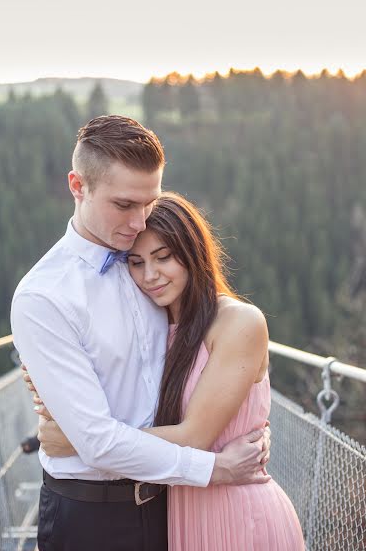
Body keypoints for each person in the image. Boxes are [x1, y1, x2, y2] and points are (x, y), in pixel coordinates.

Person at [11, 115, 271, 551]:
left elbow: (205, 360)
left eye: (149, 203)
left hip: (173, 506)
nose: (138, 222)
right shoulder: (44, 297)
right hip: (92, 517)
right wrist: (215, 468)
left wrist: (249, 418)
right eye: (124, 205)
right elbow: (95, 442)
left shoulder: (154, 275)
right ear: (78, 186)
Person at [34, 192, 304, 551]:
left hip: (236, 515)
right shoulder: (153, 329)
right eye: (135, 262)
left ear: (193, 252)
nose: (150, 275)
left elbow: (194, 437)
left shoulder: (238, 322)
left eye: (164, 258)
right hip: (175, 515)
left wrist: (79, 441)